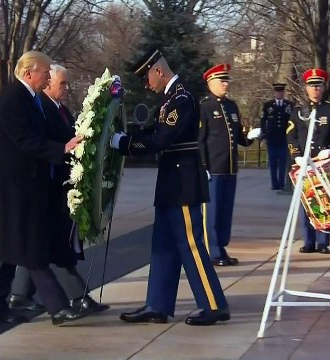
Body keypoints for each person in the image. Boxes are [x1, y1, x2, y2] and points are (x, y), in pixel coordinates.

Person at [111, 48, 230, 326]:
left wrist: (123, 144)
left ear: (159, 72)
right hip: (171, 181)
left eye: (147, 78)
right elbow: (152, 130)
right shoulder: (169, 100)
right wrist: (124, 135)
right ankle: (157, 304)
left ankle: (214, 305)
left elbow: (160, 140)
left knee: (191, 244)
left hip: (183, 182)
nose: (146, 85)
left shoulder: (181, 99)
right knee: (163, 245)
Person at [0, 51, 92, 326]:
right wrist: (60, 148)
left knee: (7, 249)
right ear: (29, 72)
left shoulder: (30, 100)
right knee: (28, 248)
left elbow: (42, 134)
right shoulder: (14, 100)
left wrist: (72, 141)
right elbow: (24, 140)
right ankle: (57, 307)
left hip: (25, 184)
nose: (47, 76)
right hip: (15, 186)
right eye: (45, 71)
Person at [8, 64, 109, 313]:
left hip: (59, 185)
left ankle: (20, 293)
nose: (66, 88)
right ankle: (76, 295)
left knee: (44, 244)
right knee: (52, 245)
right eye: (62, 84)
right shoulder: (41, 108)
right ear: (48, 82)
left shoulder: (60, 109)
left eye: (66, 83)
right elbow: (46, 143)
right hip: (48, 185)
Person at [198, 64, 260, 266]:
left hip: (230, 167)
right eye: (221, 81)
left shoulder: (232, 106)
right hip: (213, 167)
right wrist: (203, 165)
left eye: (227, 81)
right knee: (212, 211)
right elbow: (199, 139)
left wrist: (249, 137)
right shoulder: (204, 107)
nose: (226, 84)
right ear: (210, 83)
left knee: (225, 210)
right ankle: (212, 251)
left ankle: (221, 248)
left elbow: (238, 137)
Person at [287, 68, 330, 254]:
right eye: (311, 85)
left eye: (318, 85)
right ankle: (309, 241)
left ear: (323, 87)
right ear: (306, 88)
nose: (315, 89)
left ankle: (323, 242)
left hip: (323, 162)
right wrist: (296, 154)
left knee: (326, 200)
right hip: (304, 163)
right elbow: (291, 134)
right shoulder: (298, 111)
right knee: (308, 201)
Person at [261, 83, 294, 190]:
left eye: (281, 92)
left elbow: (293, 121)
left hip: (284, 138)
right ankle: (274, 184)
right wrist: (263, 136)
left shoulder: (289, 105)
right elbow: (263, 121)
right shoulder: (268, 105)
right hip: (272, 138)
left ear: (283, 93)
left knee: (283, 163)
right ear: (274, 93)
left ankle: (281, 184)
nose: (279, 93)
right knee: (273, 163)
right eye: (277, 92)